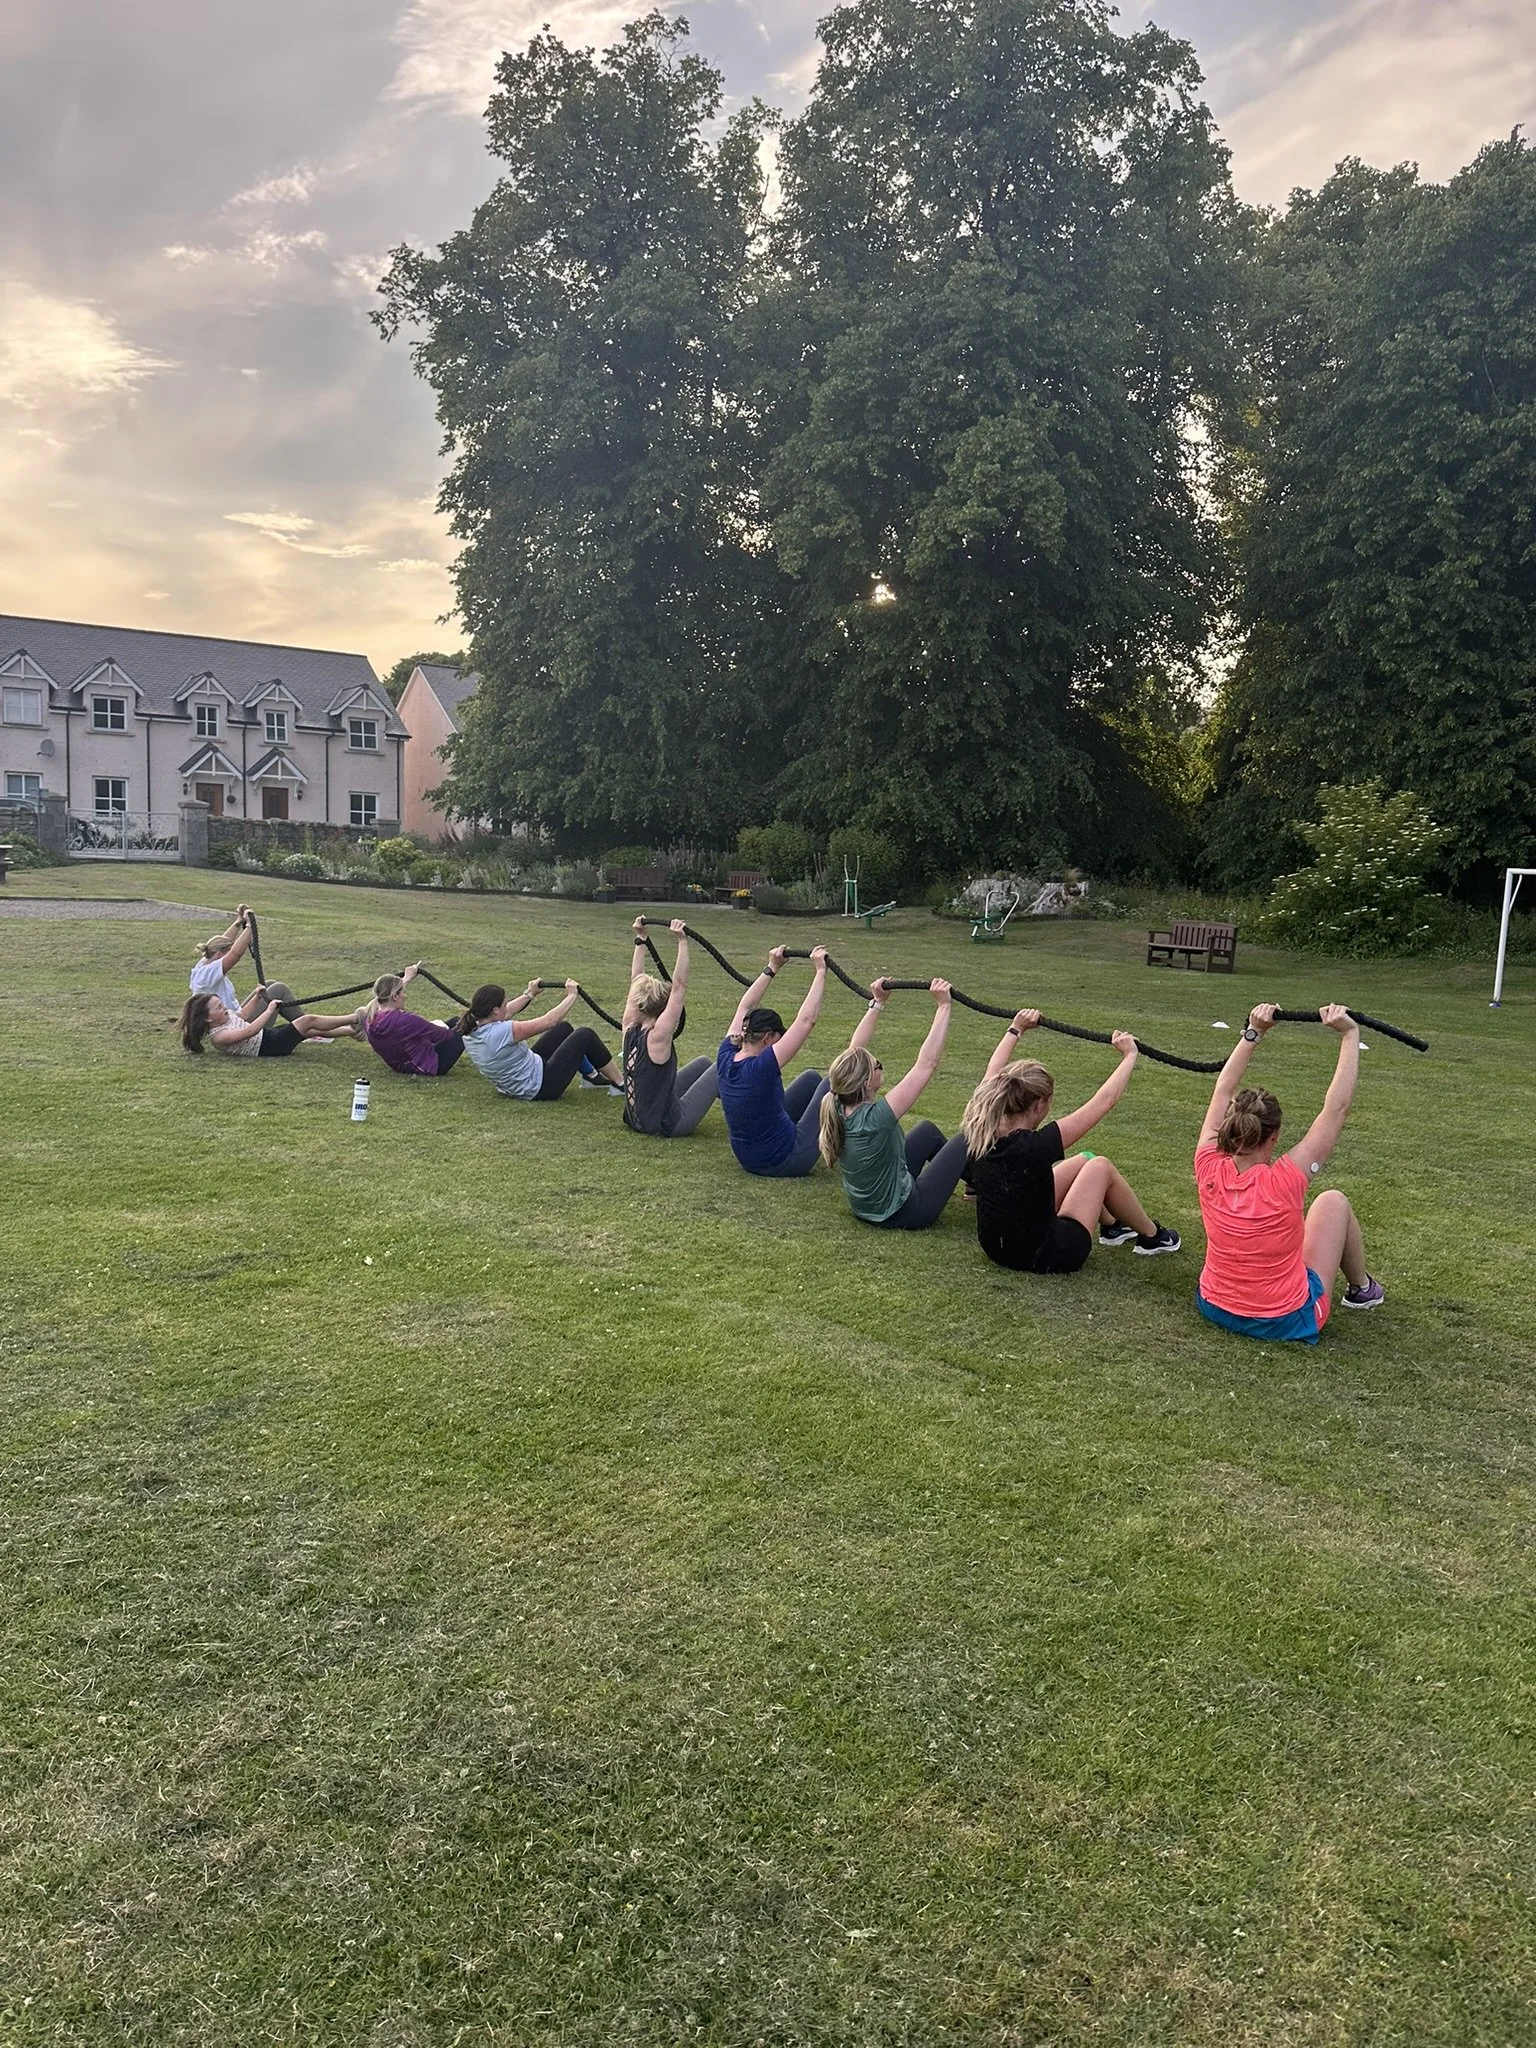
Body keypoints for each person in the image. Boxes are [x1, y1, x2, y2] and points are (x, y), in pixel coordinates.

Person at [1193, 1002, 1384, 1341]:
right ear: (1275, 1135)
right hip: (1284, 1320)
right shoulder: (1285, 1179)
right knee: (1333, 1202)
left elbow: (1222, 1089)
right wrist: (1350, 1034)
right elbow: (1336, 1109)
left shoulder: (1207, 1163)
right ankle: (1362, 1288)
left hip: (1214, 1305)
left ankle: (1363, 1288)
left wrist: (1254, 1033)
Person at [961, 1012, 1180, 1273]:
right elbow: (1104, 1102)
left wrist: (1015, 1029)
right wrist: (1130, 1056)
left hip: (997, 1248)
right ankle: (1153, 1236)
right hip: (1046, 1254)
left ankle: (1112, 1227)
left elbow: (992, 1073)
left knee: (1084, 1159)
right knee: (1100, 1166)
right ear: (1039, 1104)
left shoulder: (981, 1127)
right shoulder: (1034, 1147)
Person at [818, 977, 970, 1228]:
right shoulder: (875, 1119)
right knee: (965, 1139)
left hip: (867, 1208)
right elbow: (926, 1065)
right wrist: (944, 1007)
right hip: (907, 1212)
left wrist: (877, 1002)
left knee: (927, 1132)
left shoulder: (836, 1100)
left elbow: (854, 1051)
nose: (880, 1064)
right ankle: (990, 1187)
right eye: (877, 1064)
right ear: (867, 1081)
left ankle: (974, 1185)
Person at [716, 944, 831, 1177]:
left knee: (811, 1079)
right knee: (833, 1083)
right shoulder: (760, 1068)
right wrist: (820, 971)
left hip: (748, 1157)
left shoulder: (726, 1053)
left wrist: (772, 967)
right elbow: (806, 1021)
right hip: (786, 1159)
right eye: (779, 1037)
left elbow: (745, 1007)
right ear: (768, 1038)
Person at [620, 918, 719, 1137]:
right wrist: (682, 941)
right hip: (667, 1125)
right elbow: (679, 987)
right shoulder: (658, 1036)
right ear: (662, 1009)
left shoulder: (629, 1026)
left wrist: (641, 938)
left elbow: (636, 980)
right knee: (722, 1066)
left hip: (637, 1119)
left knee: (704, 1063)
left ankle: (732, 1094)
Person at [460, 979, 624, 1101]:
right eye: (503, 1004)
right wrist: (572, 995)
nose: (506, 1007)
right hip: (542, 1087)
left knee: (564, 1029)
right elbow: (549, 1021)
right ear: (495, 1010)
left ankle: (592, 1077)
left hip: (517, 1082)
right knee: (584, 1035)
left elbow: (507, 1011)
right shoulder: (501, 1032)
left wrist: (530, 993)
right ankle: (620, 1084)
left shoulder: (470, 1028)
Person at [364, 962, 493, 1078]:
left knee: (456, 1021)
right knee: (466, 1023)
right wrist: (437, 1025)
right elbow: (442, 1036)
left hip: (402, 1064)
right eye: (403, 992)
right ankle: (495, 1048)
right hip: (430, 1066)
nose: (405, 995)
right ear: (395, 996)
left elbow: (387, 996)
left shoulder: (369, 1019)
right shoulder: (406, 1020)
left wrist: (406, 978)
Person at [178, 989, 361, 1058]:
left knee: (309, 1030)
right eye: (218, 1007)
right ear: (208, 1018)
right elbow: (249, 1030)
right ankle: (355, 1018)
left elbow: (242, 1014)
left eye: (222, 1004)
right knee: (307, 1021)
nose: (224, 1008)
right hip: (270, 1046)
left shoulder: (227, 1018)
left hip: (269, 1037)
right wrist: (269, 1010)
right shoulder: (219, 1037)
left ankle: (353, 1031)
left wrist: (257, 997)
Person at [189, 904, 254, 1009]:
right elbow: (235, 954)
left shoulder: (206, 961)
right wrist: (250, 926)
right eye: (227, 952)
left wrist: (239, 921)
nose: (230, 953)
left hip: (235, 1013)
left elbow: (224, 941)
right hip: (231, 1021)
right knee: (277, 990)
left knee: (268, 986)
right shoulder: (208, 974)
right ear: (219, 955)